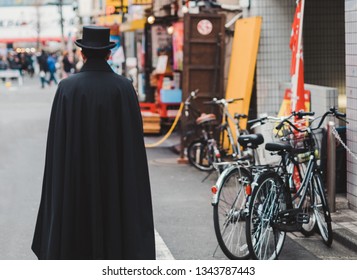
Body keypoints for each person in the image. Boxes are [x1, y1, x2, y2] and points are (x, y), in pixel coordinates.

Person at [31, 26, 156, 260]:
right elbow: (132, 148)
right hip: (115, 178)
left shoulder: (67, 88)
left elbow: (57, 147)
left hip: (75, 177)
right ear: (109, 55)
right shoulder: (124, 88)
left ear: (82, 54)